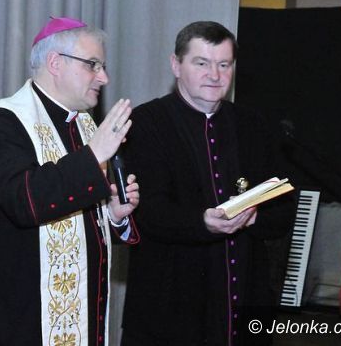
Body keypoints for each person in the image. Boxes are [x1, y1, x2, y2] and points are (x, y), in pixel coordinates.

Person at [0, 17, 140, 346]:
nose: (104, 77)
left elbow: (81, 222)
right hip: (19, 320)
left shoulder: (83, 125)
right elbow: (26, 201)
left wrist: (113, 215)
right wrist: (94, 155)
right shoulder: (5, 126)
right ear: (55, 63)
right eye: (93, 65)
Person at [121, 21, 295, 345]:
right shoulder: (146, 123)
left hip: (245, 301)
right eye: (201, 63)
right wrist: (202, 222)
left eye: (224, 65)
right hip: (170, 305)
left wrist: (253, 216)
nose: (214, 75)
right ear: (176, 65)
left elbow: (283, 211)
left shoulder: (252, 125)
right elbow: (145, 212)